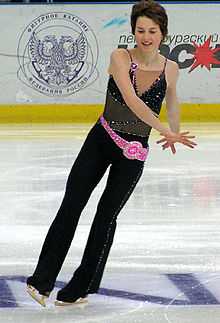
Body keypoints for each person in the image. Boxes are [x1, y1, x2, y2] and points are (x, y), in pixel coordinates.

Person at [26, 0, 197, 307]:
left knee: (106, 218)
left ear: (163, 34)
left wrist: (174, 128)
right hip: (101, 140)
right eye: (140, 30)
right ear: (133, 31)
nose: (146, 36)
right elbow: (131, 100)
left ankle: (80, 287)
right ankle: (42, 281)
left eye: (153, 31)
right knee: (72, 204)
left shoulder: (171, 68)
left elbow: (172, 100)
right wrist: (164, 129)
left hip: (133, 153)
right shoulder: (120, 57)